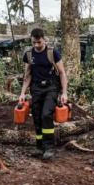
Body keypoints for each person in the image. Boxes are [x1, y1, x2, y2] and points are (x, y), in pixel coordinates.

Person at [19, 28, 68, 160]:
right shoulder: (28, 54)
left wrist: (64, 93)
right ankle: (39, 146)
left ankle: (49, 147)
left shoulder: (53, 53)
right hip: (36, 88)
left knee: (46, 114)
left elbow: (62, 73)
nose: (36, 45)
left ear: (44, 39)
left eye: (39, 42)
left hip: (51, 87)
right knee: (36, 116)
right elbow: (27, 75)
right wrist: (22, 93)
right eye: (34, 42)